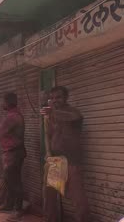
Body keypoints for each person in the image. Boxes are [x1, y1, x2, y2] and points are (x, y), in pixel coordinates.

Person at [41, 86, 90, 222]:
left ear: (66, 98)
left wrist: (52, 113)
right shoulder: (50, 115)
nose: (55, 100)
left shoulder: (73, 113)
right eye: (52, 98)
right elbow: (47, 135)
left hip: (72, 161)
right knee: (49, 196)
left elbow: (75, 117)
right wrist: (48, 153)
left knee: (78, 199)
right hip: (55, 161)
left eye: (59, 97)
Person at [0, 93, 25, 221]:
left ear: (8, 102)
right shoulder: (14, 115)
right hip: (12, 152)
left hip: (13, 153)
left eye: (3, 101)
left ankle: (17, 210)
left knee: (14, 181)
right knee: (9, 180)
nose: (1, 104)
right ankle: (8, 205)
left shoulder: (12, 117)